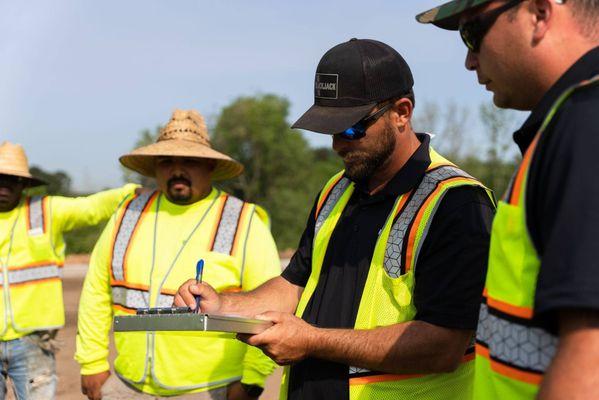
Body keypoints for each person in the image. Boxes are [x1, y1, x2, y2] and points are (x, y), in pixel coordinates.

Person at [175, 39, 496, 400]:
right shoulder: (336, 191)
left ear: (401, 112)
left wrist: (312, 341)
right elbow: (293, 285)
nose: (338, 145)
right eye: (330, 129)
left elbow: (443, 345)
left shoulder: (456, 203)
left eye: (351, 128)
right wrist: (224, 306)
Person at [416, 1, 599, 399]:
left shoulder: (587, 124)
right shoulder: (568, 123)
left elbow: (591, 362)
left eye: (473, 33)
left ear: (538, 12)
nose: (469, 60)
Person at [75, 109, 280, 400]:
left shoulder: (242, 220)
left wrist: (252, 380)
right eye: (167, 161)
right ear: (155, 167)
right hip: (127, 386)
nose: (177, 169)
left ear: (210, 167)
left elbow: (270, 304)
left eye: (190, 161)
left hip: (209, 389)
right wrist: (92, 363)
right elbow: (96, 290)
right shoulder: (129, 211)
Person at [0, 141, 136, 399]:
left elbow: (92, 207)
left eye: (12, 180)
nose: (4, 186)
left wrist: (134, 192)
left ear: (23, 184)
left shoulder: (45, 210)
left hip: (33, 342)